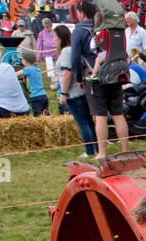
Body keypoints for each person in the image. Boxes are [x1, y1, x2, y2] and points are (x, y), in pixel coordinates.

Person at [82, 0, 130, 160]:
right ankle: (125, 150)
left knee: (100, 116)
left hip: (102, 77)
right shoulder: (120, 33)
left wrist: (94, 74)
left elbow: (98, 57)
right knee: (118, 114)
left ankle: (102, 152)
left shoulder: (100, 35)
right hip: (118, 75)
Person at [56, 22, 95, 155]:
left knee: (83, 123)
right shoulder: (71, 50)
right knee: (88, 122)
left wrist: (63, 93)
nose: (54, 40)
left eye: (55, 37)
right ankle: (95, 148)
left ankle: (90, 151)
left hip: (73, 93)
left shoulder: (66, 51)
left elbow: (67, 73)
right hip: (79, 91)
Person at [17, 46, 50, 113]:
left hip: (35, 96)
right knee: (45, 115)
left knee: (37, 115)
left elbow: (15, 74)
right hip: (43, 95)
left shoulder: (28, 69)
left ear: (24, 60)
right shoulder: (37, 69)